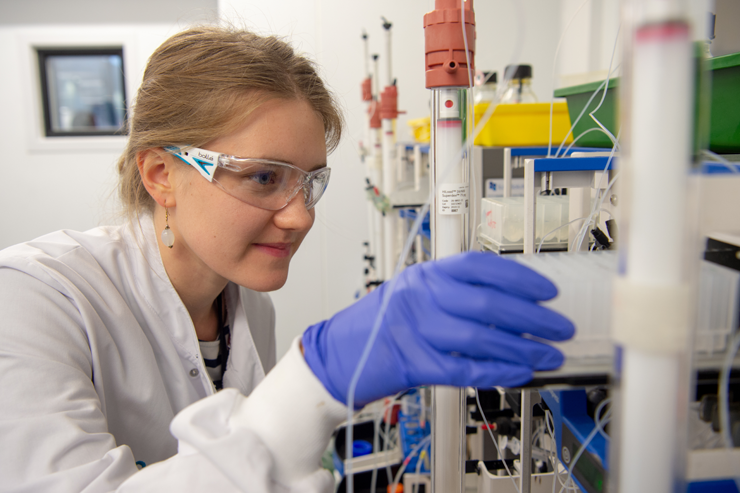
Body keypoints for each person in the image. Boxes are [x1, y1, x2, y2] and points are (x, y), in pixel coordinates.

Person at [0, 25, 574, 492]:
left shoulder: (244, 299)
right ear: (161, 175)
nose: (300, 217)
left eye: (310, 183)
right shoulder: (32, 298)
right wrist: (309, 385)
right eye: (264, 177)